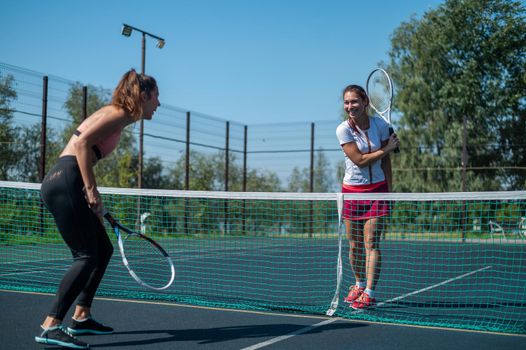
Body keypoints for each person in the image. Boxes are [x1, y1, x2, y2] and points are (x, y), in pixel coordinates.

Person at [35, 69, 160, 349]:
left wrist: (91, 194)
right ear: (144, 95)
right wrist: (90, 190)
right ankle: (50, 325)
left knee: (103, 249)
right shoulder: (117, 113)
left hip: (69, 181)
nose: (159, 104)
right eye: (156, 97)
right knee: (86, 256)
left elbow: (85, 153)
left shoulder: (119, 116)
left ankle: (81, 316)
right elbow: (79, 144)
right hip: (65, 180)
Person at [335, 84, 399, 310]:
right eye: (346, 102)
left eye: (354, 101)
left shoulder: (381, 126)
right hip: (351, 192)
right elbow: (360, 160)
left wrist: (389, 194)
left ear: (365, 103)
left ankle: (369, 292)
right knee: (354, 245)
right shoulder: (343, 129)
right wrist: (387, 148)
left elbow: (386, 162)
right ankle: (359, 283)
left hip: (377, 191)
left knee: (372, 243)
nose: (350, 106)